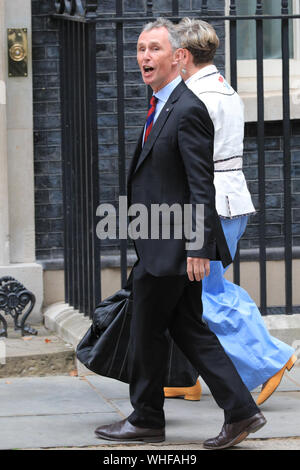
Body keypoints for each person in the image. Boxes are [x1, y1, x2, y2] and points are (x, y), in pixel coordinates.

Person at [94, 17, 266, 450]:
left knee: (147, 328)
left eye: (154, 48)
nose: (144, 57)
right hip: (159, 238)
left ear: (177, 56)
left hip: (172, 244)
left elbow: (199, 184)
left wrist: (197, 246)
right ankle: (241, 410)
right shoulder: (162, 103)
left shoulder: (188, 108)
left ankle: (147, 416)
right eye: (140, 49)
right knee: (188, 328)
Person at [163, 18, 296, 406]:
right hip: (231, 200)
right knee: (183, 291)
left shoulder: (194, 97)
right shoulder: (225, 89)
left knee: (207, 294)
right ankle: (182, 376)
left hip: (211, 206)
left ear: (183, 56)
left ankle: (270, 359)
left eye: (171, 53)